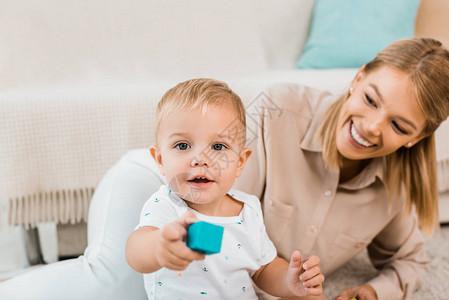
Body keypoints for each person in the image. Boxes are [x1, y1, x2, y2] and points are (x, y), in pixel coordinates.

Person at [233, 37, 449, 300]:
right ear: (358, 78)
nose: (372, 126)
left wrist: (374, 291)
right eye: (371, 100)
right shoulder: (273, 109)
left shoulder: (395, 186)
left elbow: (410, 261)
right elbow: (215, 221)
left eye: (399, 127)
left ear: (416, 138)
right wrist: (297, 293)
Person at [125, 78, 325, 299]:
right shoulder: (166, 206)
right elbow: (136, 250)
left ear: (240, 162)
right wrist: (159, 246)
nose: (201, 159)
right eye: (182, 145)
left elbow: (263, 268)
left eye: (218, 146)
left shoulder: (248, 210)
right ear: (160, 160)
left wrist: (289, 281)